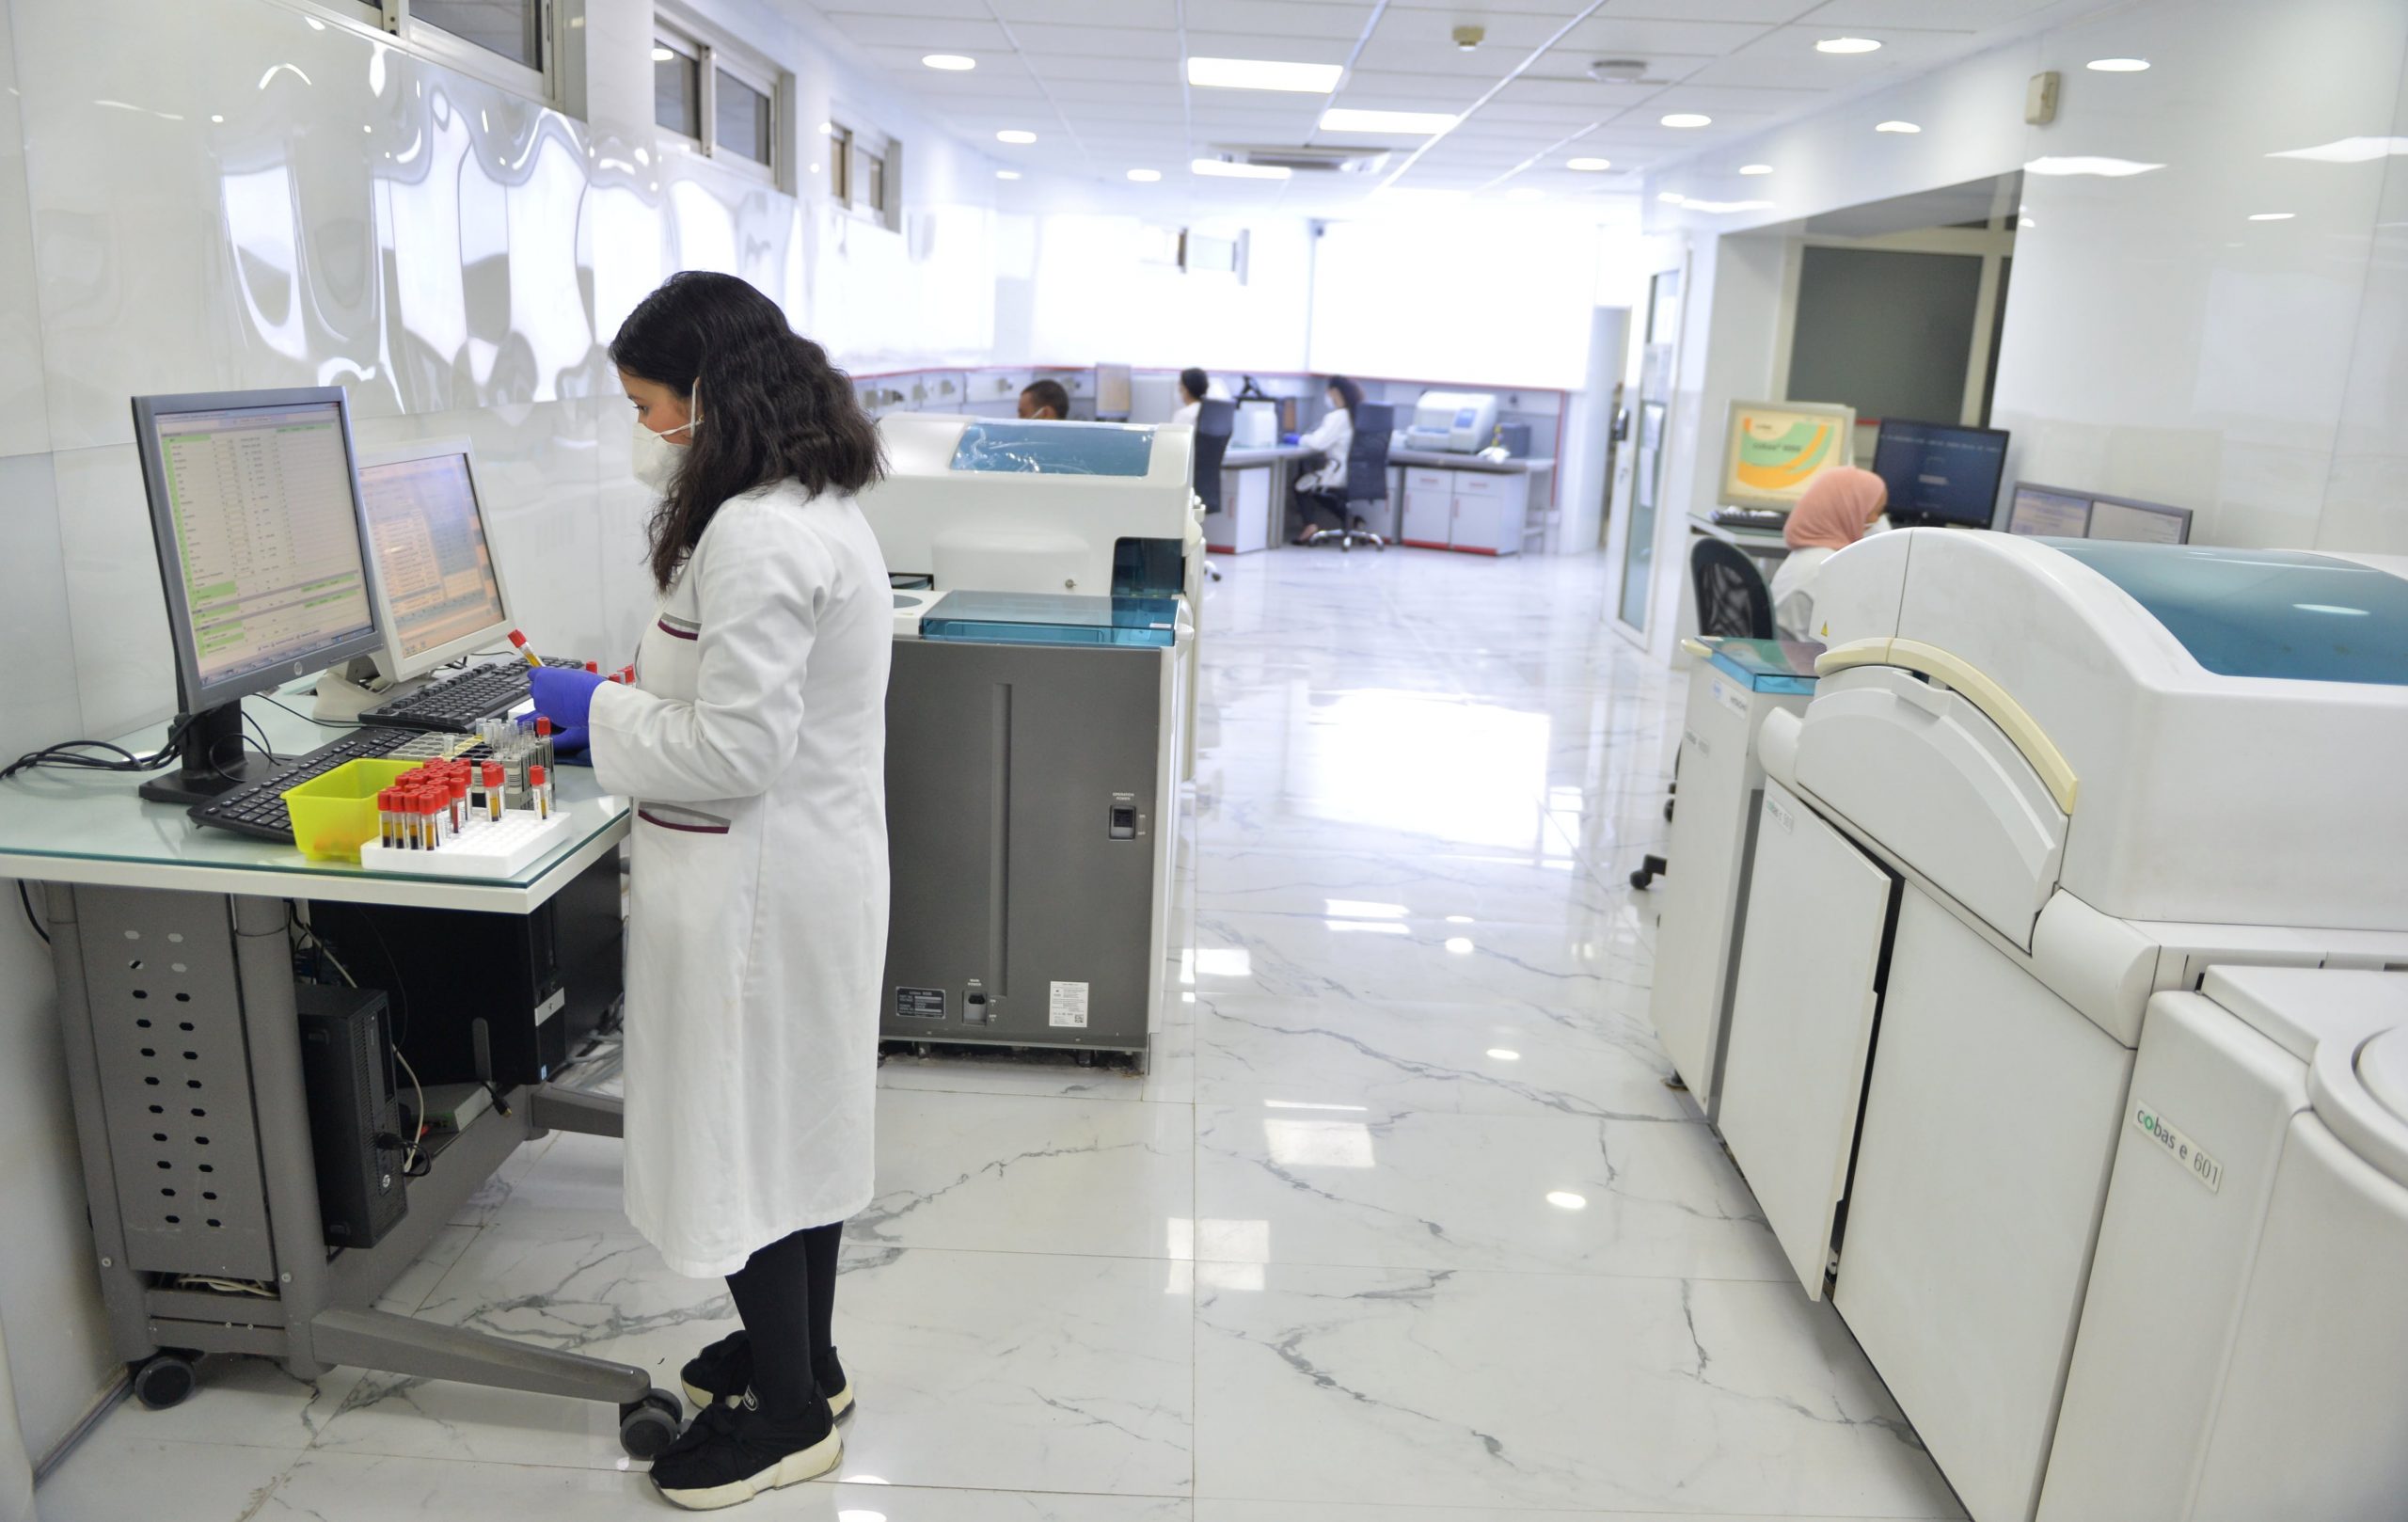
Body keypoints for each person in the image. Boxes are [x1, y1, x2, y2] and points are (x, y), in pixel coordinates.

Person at [525, 271, 891, 1511]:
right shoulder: (808, 499)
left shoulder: (759, 535)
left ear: (708, 397)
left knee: (744, 1140)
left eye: (647, 406)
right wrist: (629, 705)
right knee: (793, 1129)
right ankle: (809, 1361)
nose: (644, 432)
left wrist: (598, 712)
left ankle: (787, 1421)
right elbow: (741, 701)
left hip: (756, 894)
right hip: (798, 874)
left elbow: (737, 753)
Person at [1770, 466, 1888, 642]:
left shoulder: (1806, 558)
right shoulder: (1831, 570)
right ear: (1849, 513)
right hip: (1807, 658)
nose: (1880, 521)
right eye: (1876, 512)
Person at [1289, 375, 1362, 543]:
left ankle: (1310, 526)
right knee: (1320, 488)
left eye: (1328, 392)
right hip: (1358, 476)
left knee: (1301, 484)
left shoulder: (1338, 416)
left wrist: (1298, 439)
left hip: (1338, 474)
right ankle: (1350, 520)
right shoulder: (1358, 415)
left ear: (1335, 392)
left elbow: (1318, 443)